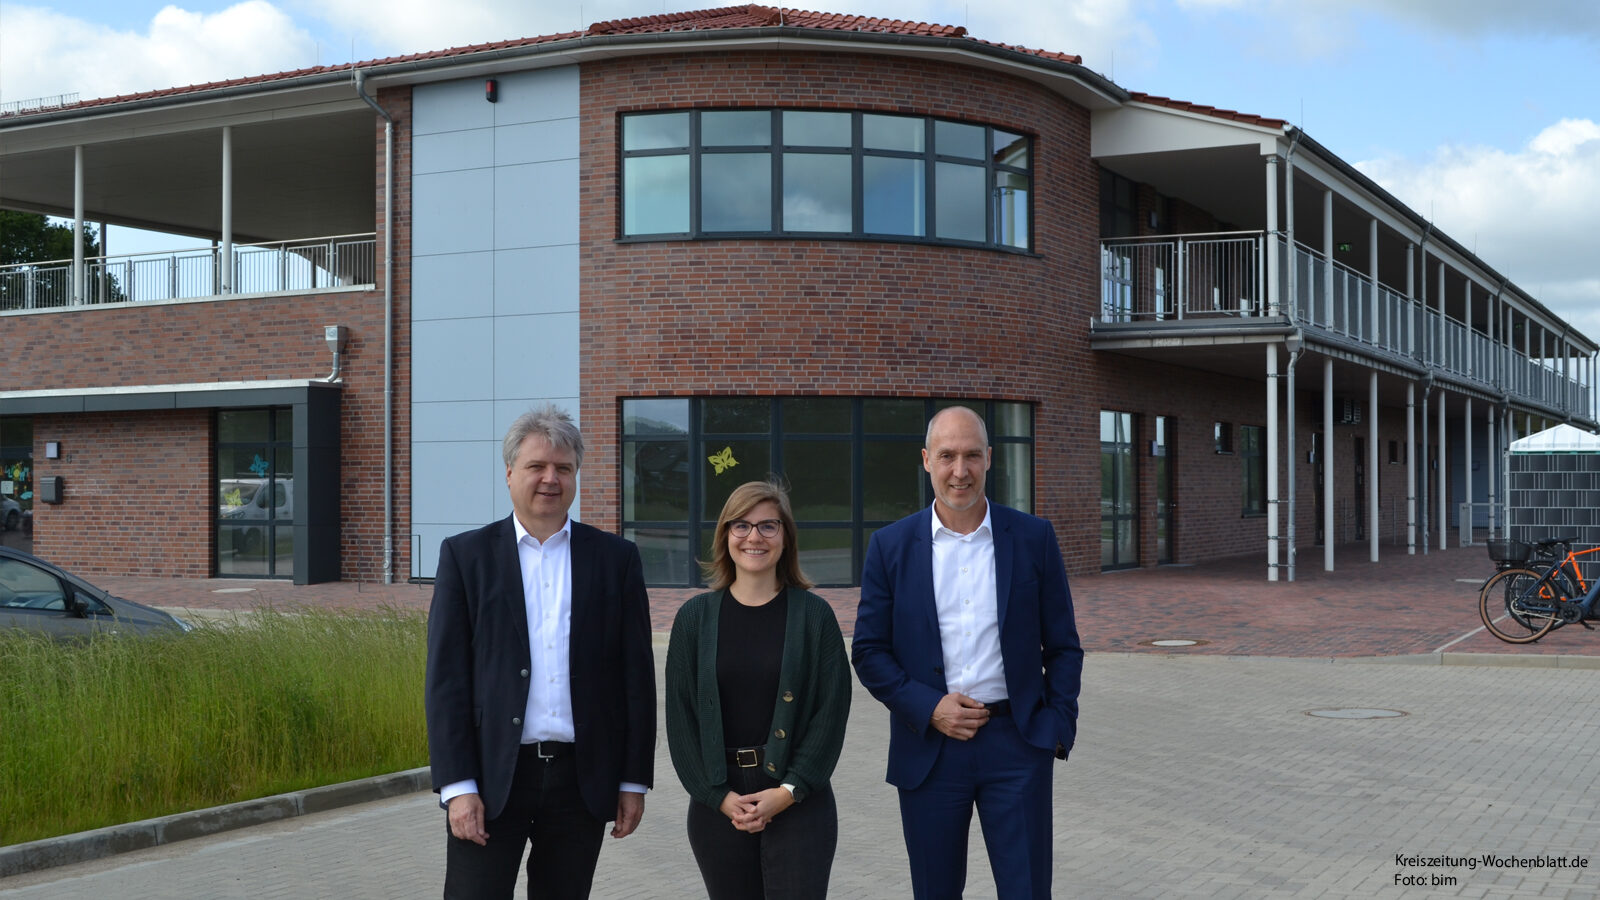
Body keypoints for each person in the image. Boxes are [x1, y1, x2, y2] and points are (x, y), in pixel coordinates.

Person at [425, 404, 656, 900]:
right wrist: (458, 786)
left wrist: (633, 781)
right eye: (537, 466)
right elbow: (446, 681)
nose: (551, 478)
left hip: (581, 781)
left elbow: (636, 679)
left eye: (563, 468)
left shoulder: (615, 559)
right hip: (492, 781)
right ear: (510, 472)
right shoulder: (466, 557)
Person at [852, 405, 1082, 900]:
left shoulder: (1034, 538)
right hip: (930, 750)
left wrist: (1057, 727)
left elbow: (1064, 646)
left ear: (989, 459)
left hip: (1017, 746)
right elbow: (869, 651)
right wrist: (929, 706)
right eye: (947, 456)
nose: (960, 470)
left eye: (972, 455)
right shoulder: (890, 547)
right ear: (926, 460)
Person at [665, 480, 852, 900]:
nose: (754, 537)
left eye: (768, 526)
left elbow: (830, 714)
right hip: (719, 806)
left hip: (799, 801)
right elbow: (681, 720)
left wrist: (788, 791)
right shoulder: (693, 619)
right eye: (741, 525)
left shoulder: (815, 617)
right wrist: (717, 796)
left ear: (786, 537)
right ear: (725, 535)